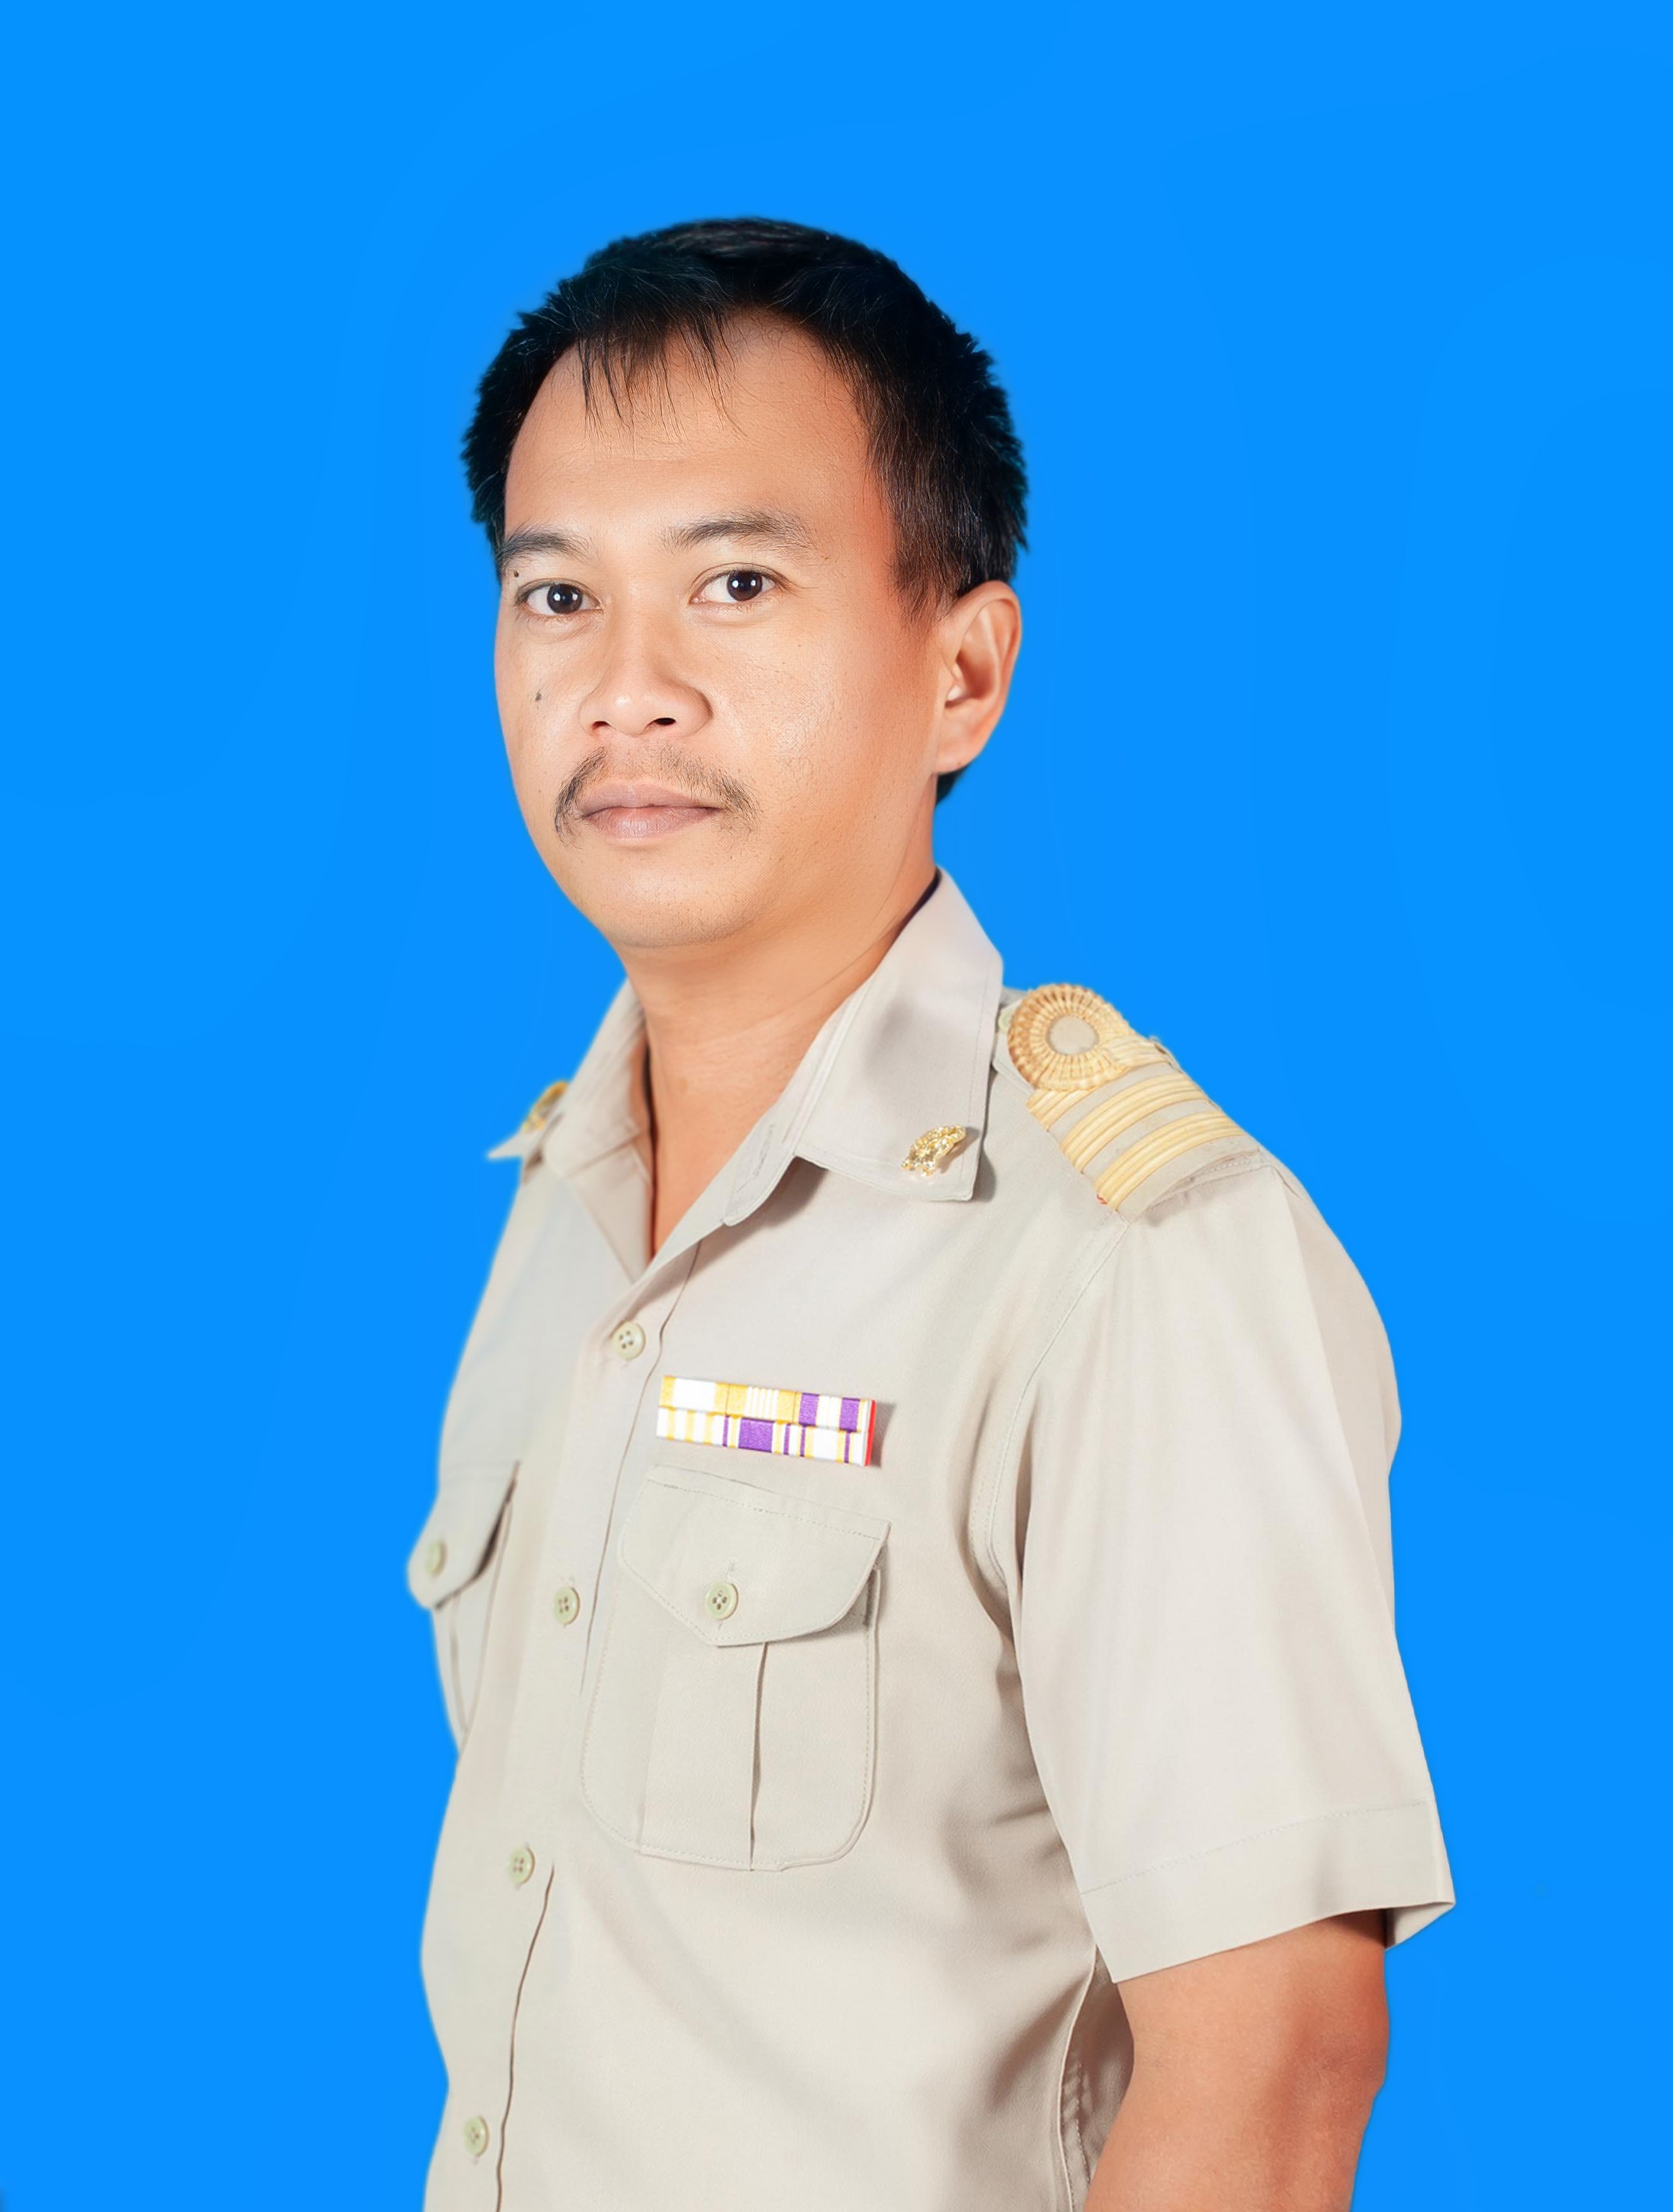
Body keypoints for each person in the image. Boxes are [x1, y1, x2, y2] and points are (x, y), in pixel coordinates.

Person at [407, 216, 1452, 2212]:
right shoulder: (567, 1198)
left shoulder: (1130, 1259)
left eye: (735, 584)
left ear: (961, 671)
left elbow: (1271, 2083)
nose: (627, 689)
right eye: (558, 596)